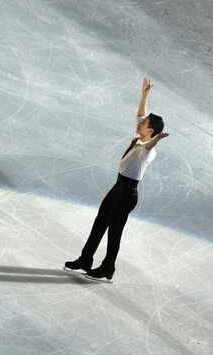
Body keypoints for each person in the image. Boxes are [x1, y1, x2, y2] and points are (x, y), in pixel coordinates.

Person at [64, 77, 169, 281]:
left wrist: (157, 140)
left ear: (151, 130)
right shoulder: (140, 137)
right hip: (118, 187)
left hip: (128, 193)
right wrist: (145, 95)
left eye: (145, 123)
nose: (141, 122)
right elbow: (140, 113)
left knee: (114, 231)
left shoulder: (147, 150)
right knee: (99, 222)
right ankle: (85, 259)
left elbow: (150, 146)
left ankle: (107, 268)